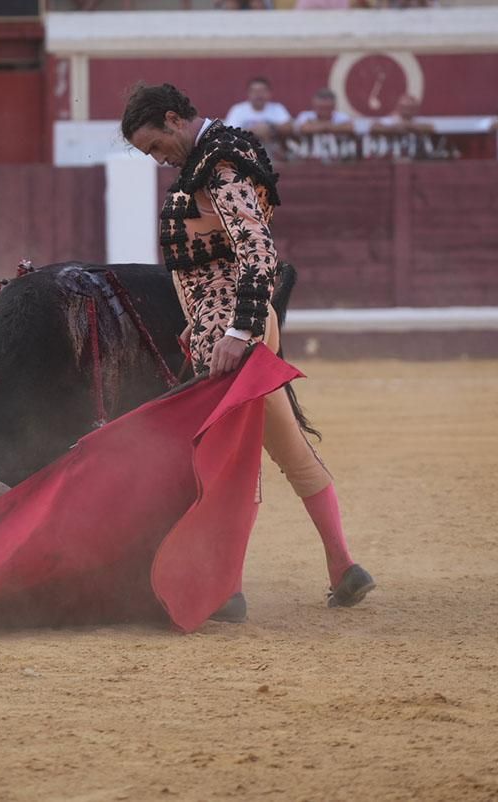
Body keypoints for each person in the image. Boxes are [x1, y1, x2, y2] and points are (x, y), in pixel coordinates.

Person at [121, 82, 376, 615]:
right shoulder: (215, 158)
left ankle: (226, 589)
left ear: (174, 119)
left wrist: (236, 332)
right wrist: (199, 321)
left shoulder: (220, 167)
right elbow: (214, 256)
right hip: (224, 324)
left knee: (221, 459)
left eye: (153, 145)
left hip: (236, 331)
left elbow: (258, 252)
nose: (156, 157)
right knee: (283, 447)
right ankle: (342, 567)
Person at [223, 77, 294, 159]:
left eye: (262, 91)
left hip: (274, 148)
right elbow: (229, 132)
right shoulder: (238, 110)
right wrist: (253, 131)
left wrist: (270, 128)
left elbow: (289, 127)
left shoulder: (277, 108)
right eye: (254, 91)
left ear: (269, 93)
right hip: (246, 152)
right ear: (248, 93)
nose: (258, 94)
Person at [291, 88, 356, 161]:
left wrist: (318, 126)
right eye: (321, 108)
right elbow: (303, 128)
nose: (324, 112)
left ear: (334, 106)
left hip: (338, 156)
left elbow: (350, 128)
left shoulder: (342, 117)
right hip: (309, 155)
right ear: (314, 105)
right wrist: (332, 127)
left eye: (327, 108)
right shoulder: (305, 115)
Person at [371, 93, 435, 135]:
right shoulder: (390, 120)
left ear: (416, 109)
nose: (407, 111)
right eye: (404, 107)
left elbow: (431, 128)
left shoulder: (419, 121)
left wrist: (410, 127)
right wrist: (393, 128)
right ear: (398, 108)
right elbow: (374, 127)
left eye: (410, 108)